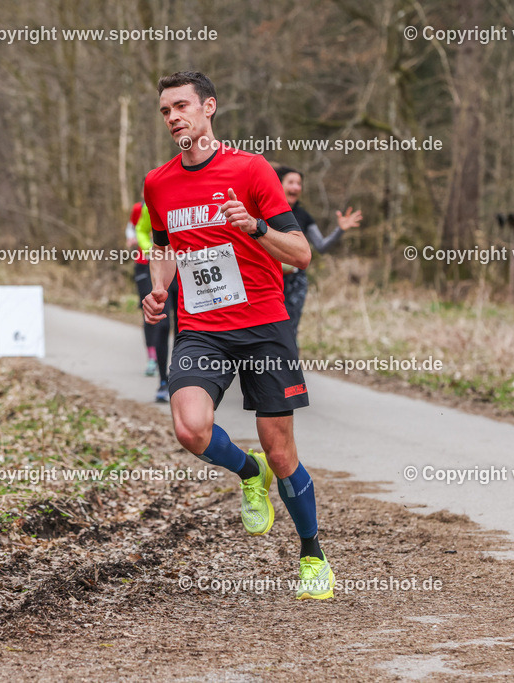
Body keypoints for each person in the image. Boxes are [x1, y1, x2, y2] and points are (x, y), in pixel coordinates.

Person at [142, 71, 334, 599]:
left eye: (181, 106)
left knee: (282, 451)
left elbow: (300, 254)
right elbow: (164, 247)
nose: (173, 117)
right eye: (165, 111)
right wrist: (160, 289)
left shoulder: (251, 170)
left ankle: (312, 554)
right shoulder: (158, 182)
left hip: (265, 324)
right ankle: (246, 471)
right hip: (203, 328)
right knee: (190, 428)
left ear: (209, 108)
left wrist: (253, 226)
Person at [275, 166, 362, 336]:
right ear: (279, 184)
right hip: (269, 280)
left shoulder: (304, 216)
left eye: (299, 183)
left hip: (295, 283)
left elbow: (321, 246)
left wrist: (340, 230)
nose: (295, 187)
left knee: (289, 331)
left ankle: (290, 363)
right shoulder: (265, 211)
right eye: (290, 182)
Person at [126, 201, 177, 402]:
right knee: (162, 325)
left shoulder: (194, 199)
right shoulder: (151, 205)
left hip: (185, 269)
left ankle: (179, 380)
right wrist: (150, 250)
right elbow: (140, 229)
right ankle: (163, 381)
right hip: (159, 268)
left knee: (183, 327)